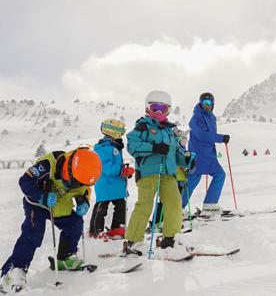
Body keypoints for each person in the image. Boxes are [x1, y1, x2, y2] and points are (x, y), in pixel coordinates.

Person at [0, 148, 102, 293]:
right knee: (33, 233)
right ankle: (14, 271)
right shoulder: (48, 164)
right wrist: (41, 195)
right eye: (75, 182)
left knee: (75, 224)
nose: (77, 185)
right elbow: (25, 180)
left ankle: (64, 258)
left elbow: (85, 190)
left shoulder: (82, 174)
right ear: (68, 170)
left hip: (59, 204)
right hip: (37, 202)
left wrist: (83, 202)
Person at [122, 90, 193, 255]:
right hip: (148, 173)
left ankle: (170, 239)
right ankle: (133, 241)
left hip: (168, 174)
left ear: (168, 111)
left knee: (175, 204)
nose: (160, 112)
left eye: (164, 109)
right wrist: (153, 148)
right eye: (156, 108)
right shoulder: (143, 126)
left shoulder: (170, 131)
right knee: (144, 206)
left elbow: (176, 154)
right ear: (148, 109)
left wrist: (188, 160)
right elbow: (132, 146)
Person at [181, 93, 230, 216]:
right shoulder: (196, 118)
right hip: (198, 155)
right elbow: (202, 135)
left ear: (213, 104)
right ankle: (179, 208)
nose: (207, 105)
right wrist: (221, 138)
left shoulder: (211, 117)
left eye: (209, 103)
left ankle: (208, 205)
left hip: (209, 155)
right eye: (204, 103)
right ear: (200, 104)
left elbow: (208, 136)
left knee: (218, 175)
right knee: (193, 180)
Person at [89, 119, 133, 240]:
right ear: (112, 132)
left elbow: (115, 164)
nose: (122, 134)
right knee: (102, 207)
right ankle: (96, 231)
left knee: (121, 205)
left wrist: (125, 172)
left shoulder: (115, 147)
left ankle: (117, 227)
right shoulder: (103, 147)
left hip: (116, 184)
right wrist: (122, 171)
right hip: (106, 183)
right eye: (119, 131)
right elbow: (106, 167)